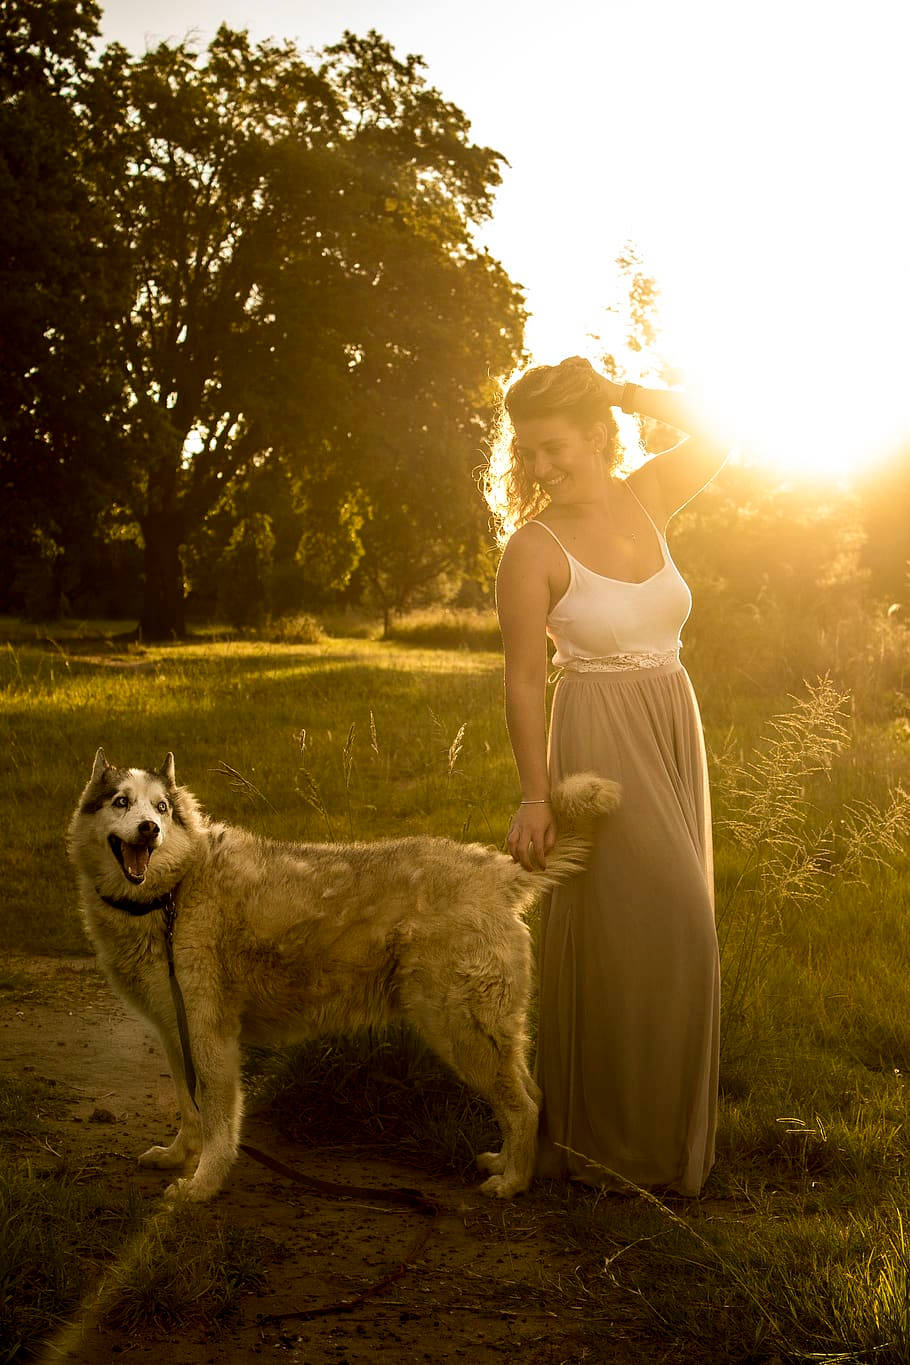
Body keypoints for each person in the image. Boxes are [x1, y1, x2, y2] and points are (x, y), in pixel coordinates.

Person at [485, 356, 727, 1196]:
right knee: (670, 926)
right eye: (529, 453)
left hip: (670, 719)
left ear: (598, 434)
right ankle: (608, 1146)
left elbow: (724, 424)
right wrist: (534, 794)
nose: (541, 468)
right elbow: (521, 678)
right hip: (598, 737)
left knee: (664, 937)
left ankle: (650, 1147)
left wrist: (621, 390)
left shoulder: (650, 494)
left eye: (554, 446)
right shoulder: (532, 548)